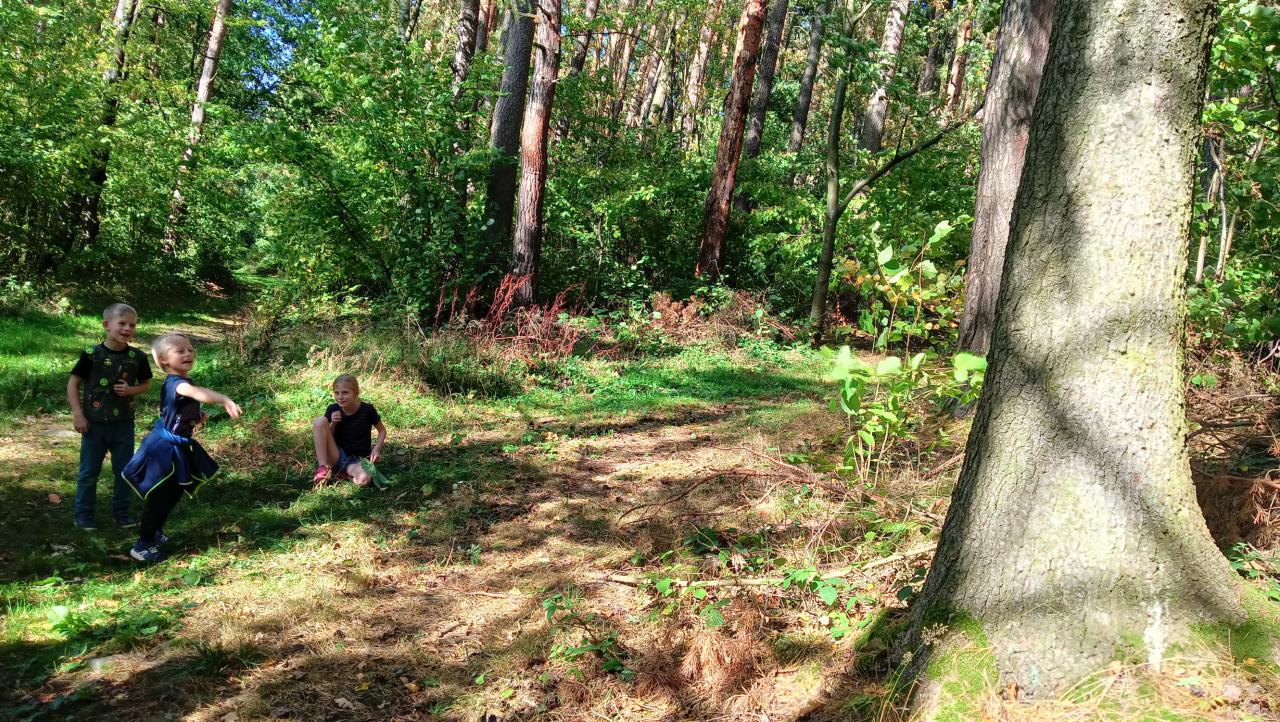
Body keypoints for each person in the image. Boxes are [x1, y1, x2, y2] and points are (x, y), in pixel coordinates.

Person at [122, 333, 241, 563]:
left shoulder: (182, 382)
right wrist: (224, 399)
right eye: (180, 351)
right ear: (164, 360)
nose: (188, 354)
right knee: (160, 496)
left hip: (177, 446)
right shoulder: (177, 383)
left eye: (190, 349)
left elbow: (180, 407)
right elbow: (196, 394)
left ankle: (155, 532)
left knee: (174, 491)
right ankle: (142, 545)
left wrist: (196, 414)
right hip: (165, 450)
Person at [67, 303, 153, 531]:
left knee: (124, 471)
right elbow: (73, 384)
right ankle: (83, 514)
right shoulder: (91, 354)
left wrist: (131, 390)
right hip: (94, 424)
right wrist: (78, 415)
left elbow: (146, 384)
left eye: (132, 325)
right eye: (122, 323)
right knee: (88, 472)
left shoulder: (137, 357)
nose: (127, 329)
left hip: (123, 424)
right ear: (107, 325)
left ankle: (122, 513)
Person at [311, 374, 386, 487]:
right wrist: (333, 424)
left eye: (345, 392)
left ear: (356, 393)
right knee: (320, 421)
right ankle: (323, 468)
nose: (340, 397)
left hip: (356, 461)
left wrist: (376, 449)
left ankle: (343, 474)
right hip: (336, 456)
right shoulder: (333, 409)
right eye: (337, 393)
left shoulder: (367, 410)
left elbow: (382, 431)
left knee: (364, 480)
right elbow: (327, 438)